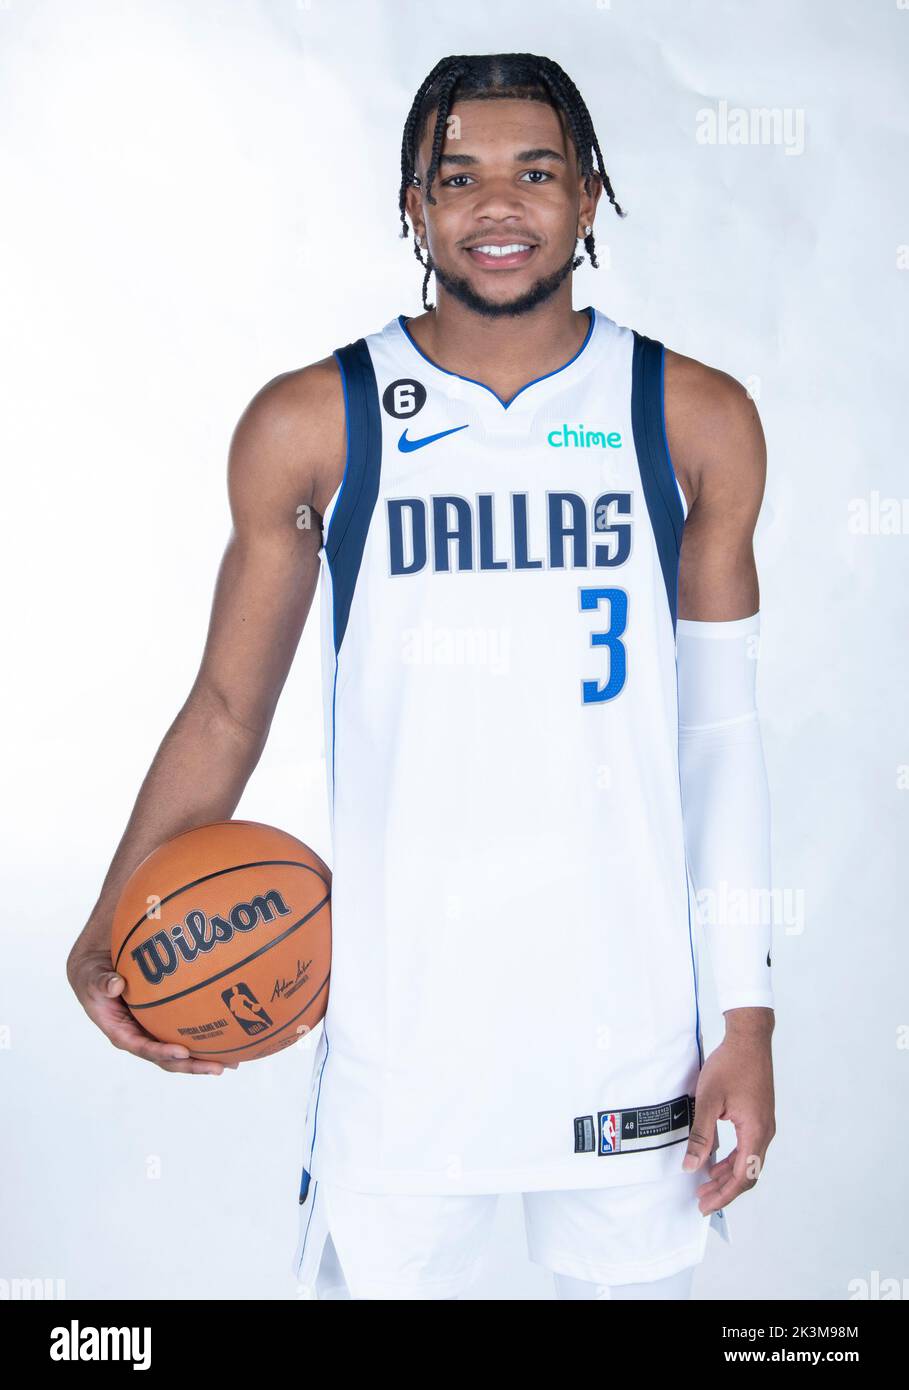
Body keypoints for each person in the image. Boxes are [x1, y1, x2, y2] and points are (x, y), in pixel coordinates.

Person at [68, 52, 776, 1301]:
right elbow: (228, 709)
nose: (497, 205)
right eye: (458, 178)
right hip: (405, 1047)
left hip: (632, 1046)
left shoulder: (691, 416)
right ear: (413, 204)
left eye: (536, 173)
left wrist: (748, 1019)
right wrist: (107, 921)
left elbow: (719, 737)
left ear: (591, 196)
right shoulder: (318, 421)